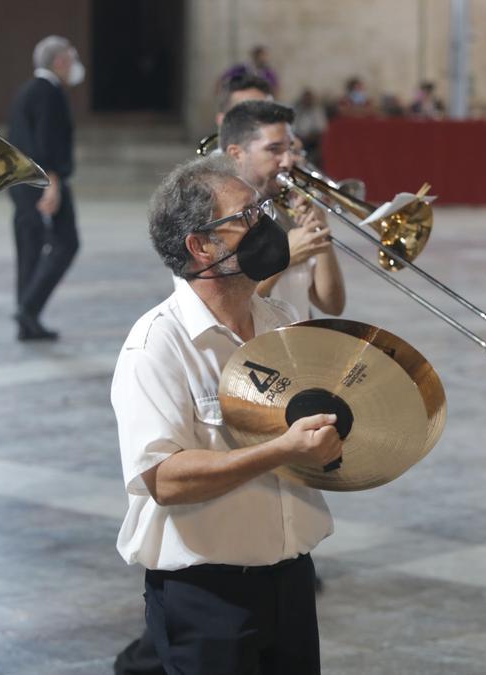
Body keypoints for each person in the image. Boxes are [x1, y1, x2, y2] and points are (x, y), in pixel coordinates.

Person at [113, 153, 342, 672]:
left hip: (291, 580)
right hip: (208, 598)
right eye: (246, 217)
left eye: (261, 210)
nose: (265, 225)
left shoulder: (281, 318)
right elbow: (164, 478)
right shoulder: (158, 344)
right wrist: (281, 450)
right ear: (200, 246)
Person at [221, 100, 345, 320]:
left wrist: (321, 226)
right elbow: (226, 310)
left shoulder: (288, 208)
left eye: (290, 149)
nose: (288, 162)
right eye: (274, 150)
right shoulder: (215, 219)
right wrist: (284, 257)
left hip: (298, 347)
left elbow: (332, 304)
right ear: (236, 154)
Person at [7, 35, 85, 341]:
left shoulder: (27, 90)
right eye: (71, 60)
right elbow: (45, 142)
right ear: (60, 62)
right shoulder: (49, 92)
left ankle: (28, 320)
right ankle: (28, 307)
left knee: (30, 249)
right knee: (66, 242)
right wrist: (52, 183)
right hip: (44, 181)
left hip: (24, 182)